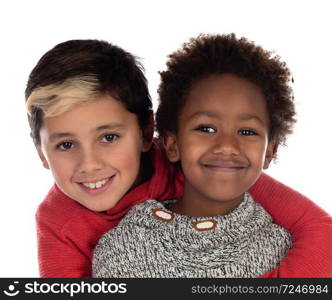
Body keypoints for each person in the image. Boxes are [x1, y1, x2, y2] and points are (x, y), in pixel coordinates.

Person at [26, 38, 332, 278]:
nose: (89, 164)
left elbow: (321, 230)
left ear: (148, 132)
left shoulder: (191, 161)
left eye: (109, 137)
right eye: (66, 145)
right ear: (41, 153)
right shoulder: (56, 222)